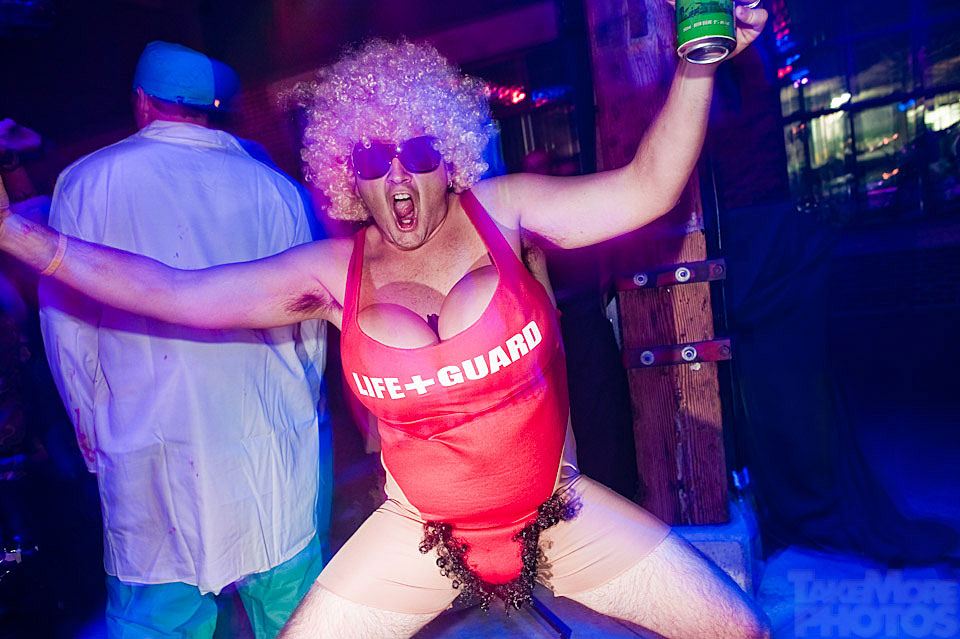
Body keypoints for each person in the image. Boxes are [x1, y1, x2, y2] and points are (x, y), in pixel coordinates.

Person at [0, 4, 770, 636]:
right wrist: (17, 235)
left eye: (419, 153)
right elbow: (173, 291)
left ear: (450, 156)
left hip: (556, 510)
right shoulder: (332, 272)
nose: (398, 178)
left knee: (738, 628)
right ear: (348, 173)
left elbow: (648, 187)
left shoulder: (503, 214)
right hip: (416, 535)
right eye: (372, 160)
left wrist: (696, 68)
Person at [35, 41, 332, 639]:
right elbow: (311, 327)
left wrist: (90, 427)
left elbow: (68, 326)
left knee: (157, 621)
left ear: (143, 102)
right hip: (266, 439)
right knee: (297, 619)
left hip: (148, 442)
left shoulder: (88, 182)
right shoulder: (274, 187)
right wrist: (304, 406)